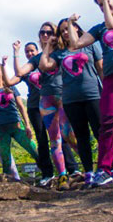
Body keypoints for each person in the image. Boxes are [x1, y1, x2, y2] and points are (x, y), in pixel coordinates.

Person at [63, 0, 113, 187]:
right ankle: (104, 169)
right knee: (107, 122)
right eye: (99, 4)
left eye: (106, 1)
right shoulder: (99, 29)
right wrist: (71, 24)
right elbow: (76, 42)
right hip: (112, 76)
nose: (104, 5)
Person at [41, 17, 103, 186]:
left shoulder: (90, 45)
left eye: (68, 28)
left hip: (93, 95)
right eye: (62, 31)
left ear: (77, 28)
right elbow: (44, 65)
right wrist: (48, 45)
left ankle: (107, 168)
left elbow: (101, 69)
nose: (66, 32)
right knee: (82, 137)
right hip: (71, 100)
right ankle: (89, 172)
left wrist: (107, 91)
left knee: (100, 133)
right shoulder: (60, 53)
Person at [11, 24, 70, 186]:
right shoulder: (36, 61)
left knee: (68, 136)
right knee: (49, 139)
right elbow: (18, 74)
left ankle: (80, 169)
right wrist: (16, 52)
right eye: (42, 33)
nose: (45, 35)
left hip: (63, 97)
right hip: (42, 103)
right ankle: (56, 174)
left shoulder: (61, 52)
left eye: (49, 32)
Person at [15, 41, 55, 182]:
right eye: (27, 52)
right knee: (41, 139)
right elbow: (14, 76)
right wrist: (16, 53)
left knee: (58, 137)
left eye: (32, 50)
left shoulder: (47, 61)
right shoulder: (28, 69)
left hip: (51, 103)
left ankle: (69, 169)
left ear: (38, 50)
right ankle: (47, 173)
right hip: (34, 107)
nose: (30, 53)